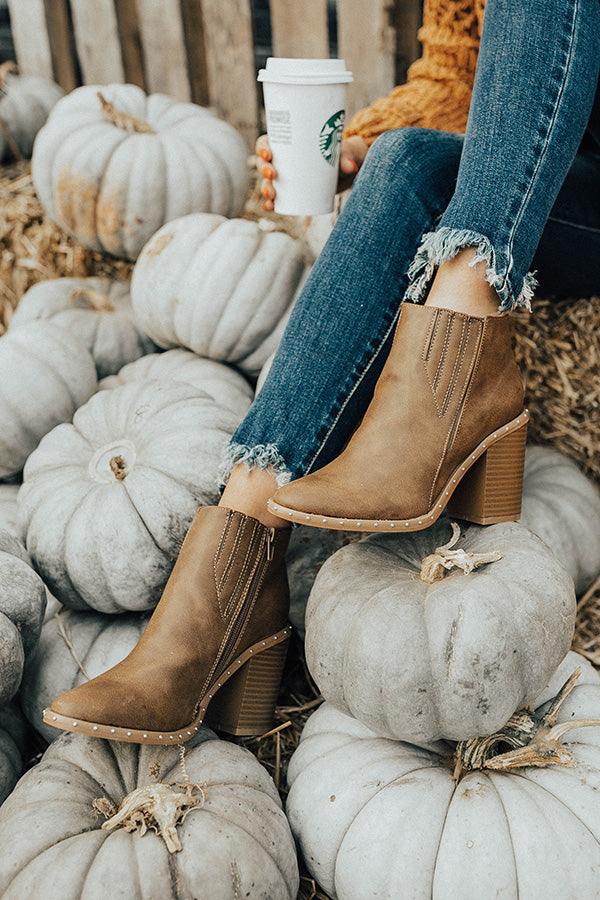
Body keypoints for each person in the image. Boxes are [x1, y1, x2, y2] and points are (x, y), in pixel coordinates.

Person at [44, 0, 600, 744]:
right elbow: (462, 70)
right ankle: (235, 570)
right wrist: (355, 146)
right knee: (403, 161)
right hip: (561, 171)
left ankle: (458, 372)